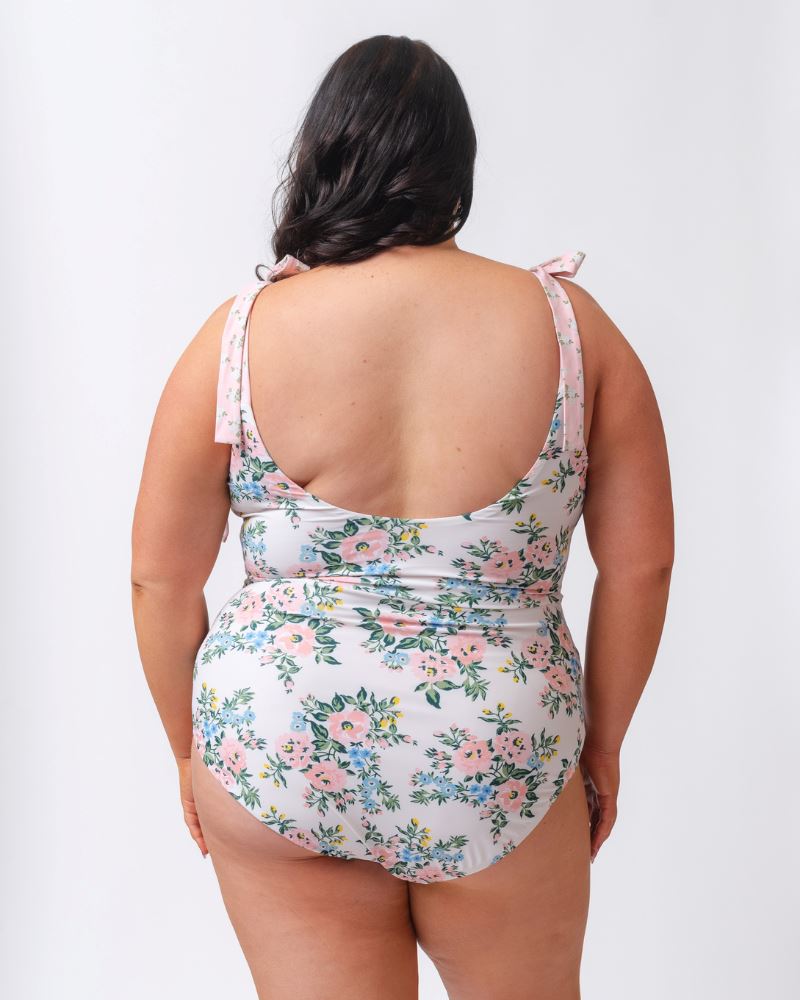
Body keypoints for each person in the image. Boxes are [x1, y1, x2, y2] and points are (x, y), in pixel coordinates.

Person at [131, 33, 673, 1000]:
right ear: (456, 167)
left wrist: (188, 748)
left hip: (279, 740)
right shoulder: (569, 328)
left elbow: (159, 578)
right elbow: (642, 567)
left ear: (324, 153)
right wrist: (600, 751)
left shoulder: (240, 334)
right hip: (499, 739)